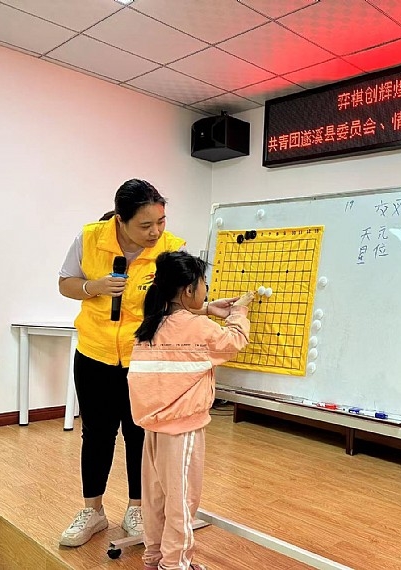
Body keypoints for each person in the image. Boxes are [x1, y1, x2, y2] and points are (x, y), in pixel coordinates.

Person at [57, 179, 237, 547]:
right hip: (94, 352)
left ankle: (136, 508)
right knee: (96, 434)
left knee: (141, 433)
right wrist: (94, 287)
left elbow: (177, 302)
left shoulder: (172, 249)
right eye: (145, 225)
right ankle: (93, 511)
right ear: (120, 220)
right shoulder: (89, 238)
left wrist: (206, 309)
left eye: (161, 221)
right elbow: (65, 283)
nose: (155, 232)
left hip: (147, 358)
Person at [127, 251, 254, 570]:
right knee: (181, 500)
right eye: (203, 284)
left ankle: (155, 556)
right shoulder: (198, 328)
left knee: (155, 498)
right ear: (188, 290)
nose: (206, 290)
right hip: (182, 430)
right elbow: (234, 341)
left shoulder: (151, 324)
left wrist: (208, 309)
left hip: (152, 430)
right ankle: (175, 564)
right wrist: (239, 311)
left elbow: (183, 327)